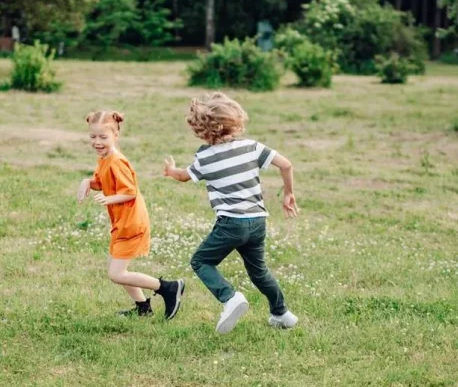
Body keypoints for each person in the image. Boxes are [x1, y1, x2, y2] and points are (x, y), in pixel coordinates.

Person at [163, 92, 299, 334]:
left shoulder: (204, 157)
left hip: (231, 223)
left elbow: (184, 177)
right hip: (257, 220)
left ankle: (230, 298)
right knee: (259, 270)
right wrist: (288, 193)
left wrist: (171, 171)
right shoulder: (252, 147)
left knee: (201, 261)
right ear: (235, 121)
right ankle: (281, 314)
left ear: (201, 128)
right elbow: (286, 164)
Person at [78, 110, 184, 319]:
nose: (97, 142)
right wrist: (86, 182)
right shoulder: (105, 158)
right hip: (122, 221)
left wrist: (109, 199)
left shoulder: (117, 161)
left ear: (116, 135)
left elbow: (129, 192)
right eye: (93, 137)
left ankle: (169, 288)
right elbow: (101, 183)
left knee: (116, 274)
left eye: (103, 137)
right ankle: (143, 308)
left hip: (131, 222)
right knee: (116, 269)